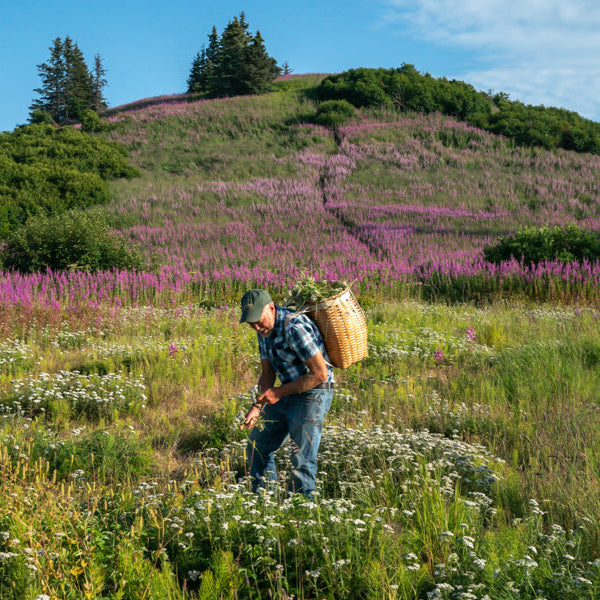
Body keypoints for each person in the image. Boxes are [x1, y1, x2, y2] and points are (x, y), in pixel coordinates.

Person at [239, 289, 334, 498]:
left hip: (314, 392)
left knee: (302, 458)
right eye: (250, 323)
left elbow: (320, 374)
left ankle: (301, 513)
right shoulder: (263, 331)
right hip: (287, 390)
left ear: (271, 308)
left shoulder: (295, 327)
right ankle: (263, 502)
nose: (255, 326)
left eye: (258, 320)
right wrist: (256, 407)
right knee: (257, 445)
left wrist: (279, 392)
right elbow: (267, 374)